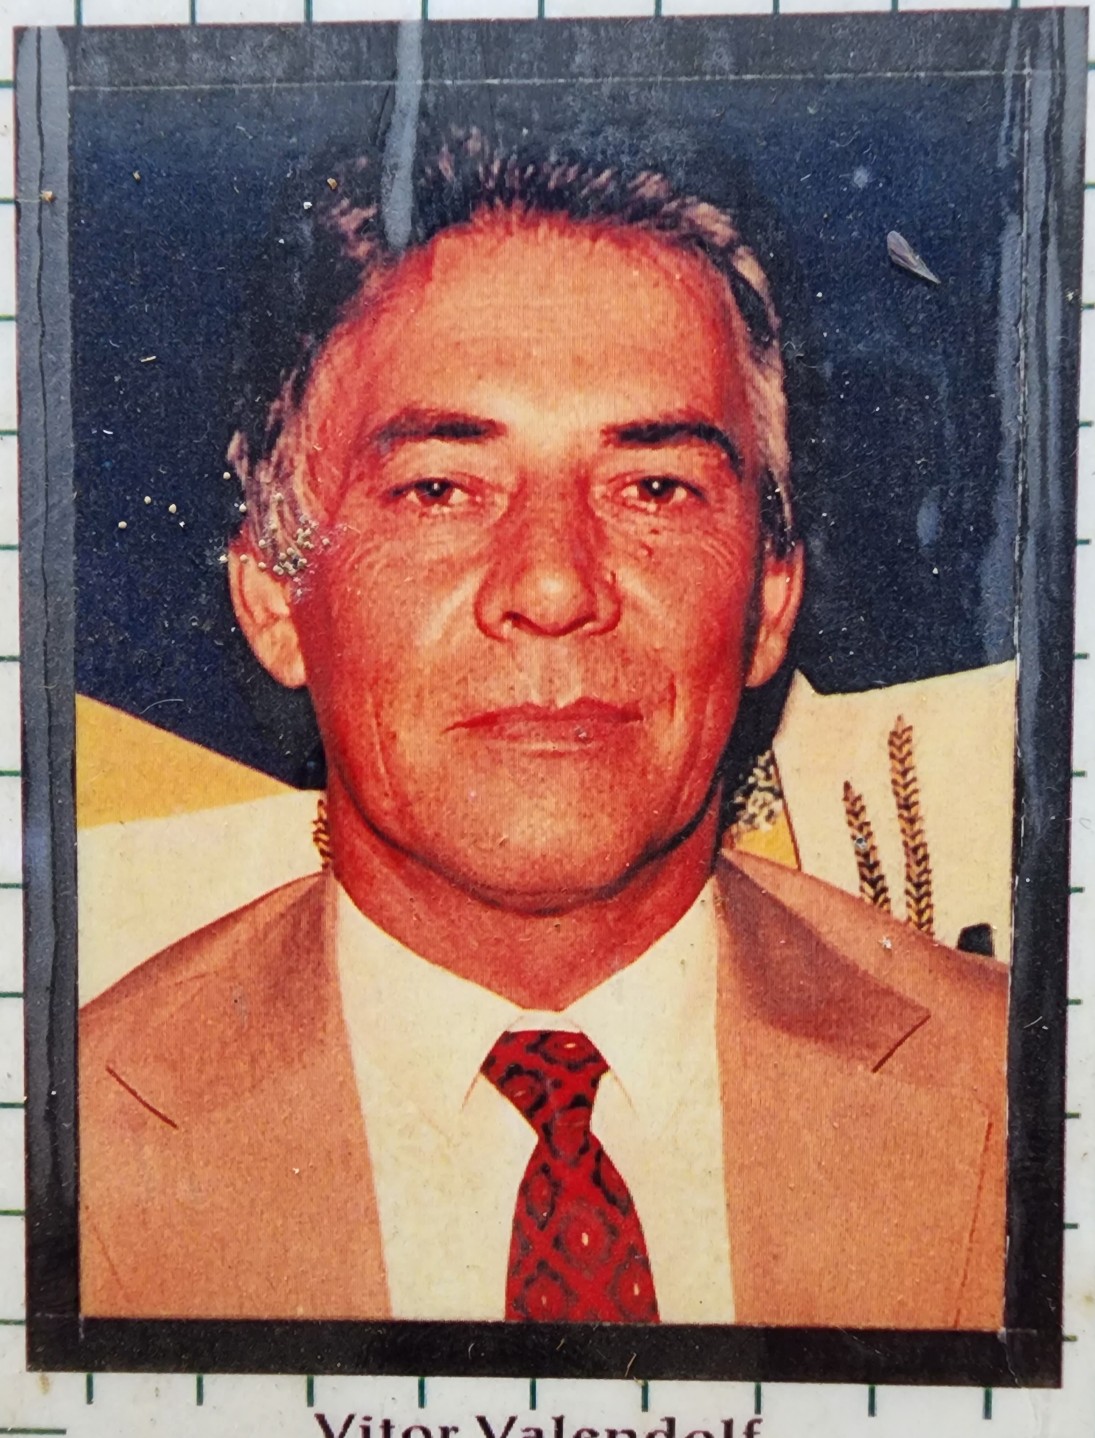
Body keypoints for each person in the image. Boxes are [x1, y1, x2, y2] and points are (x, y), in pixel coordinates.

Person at [80, 132, 1007, 1331]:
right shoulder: (67, 1142)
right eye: (440, 489)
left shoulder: (1021, 1090)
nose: (557, 585)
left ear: (772, 598)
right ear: (274, 594)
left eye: (655, 488)